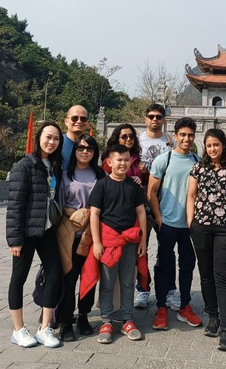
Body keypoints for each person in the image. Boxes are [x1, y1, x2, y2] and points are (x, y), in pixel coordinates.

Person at [6, 122, 64, 348]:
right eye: (48, 137)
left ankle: (44, 327)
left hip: (47, 230)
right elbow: (15, 205)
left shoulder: (55, 165)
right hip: (27, 232)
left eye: (56, 139)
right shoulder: (24, 166)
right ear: (39, 138)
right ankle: (18, 329)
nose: (51, 142)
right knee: (18, 278)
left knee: (55, 273)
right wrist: (15, 239)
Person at [187, 128, 226, 351]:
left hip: (225, 230)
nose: (212, 149)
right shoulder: (198, 168)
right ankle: (213, 317)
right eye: (209, 145)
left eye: (216, 145)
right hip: (201, 227)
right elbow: (191, 196)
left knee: (223, 276)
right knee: (206, 274)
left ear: (224, 146)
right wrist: (191, 222)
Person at [84, 144, 148, 344]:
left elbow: (141, 212)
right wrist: (96, 242)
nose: (123, 163)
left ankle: (128, 319)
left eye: (126, 160)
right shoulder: (102, 185)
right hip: (108, 242)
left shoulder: (133, 186)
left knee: (128, 281)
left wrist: (143, 240)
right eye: (119, 160)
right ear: (109, 162)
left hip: (130, 241)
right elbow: (94, 214)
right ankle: (106, 321)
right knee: (108, 283)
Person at [148, 117, 203, 331]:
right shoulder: (165, 159)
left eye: (190, 135)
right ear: (176, 135)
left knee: (187, 267)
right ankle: (161, 307)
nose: (186, 138)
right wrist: (159, 218)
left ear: (194, 136)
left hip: (189, 224)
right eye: (183, 135)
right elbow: (151, 191)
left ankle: (185, 305)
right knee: (164, 265)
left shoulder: (197, 160)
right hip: (168, 223)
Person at [55, 134, 104, 341]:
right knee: (69, 278)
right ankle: (66, 322)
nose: (85, 151)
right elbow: (57, 204)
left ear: (95, 153)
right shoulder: (66, 174)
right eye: (81, 148)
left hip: (92, 235)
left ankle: (83, 316)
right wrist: (73, 213)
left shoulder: (100, 175)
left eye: (90, 148)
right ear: (75, 151)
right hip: (69, 234)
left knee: (89, 278)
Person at [136, 103, 177, 310]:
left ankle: (170, 290)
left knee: (167, 249)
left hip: (166, 203)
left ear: (164, 119)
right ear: (145, 118)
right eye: (151, 116)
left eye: (159, 116)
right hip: (141, 203)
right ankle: (142, 289)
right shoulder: (136, 142)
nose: (154, 119)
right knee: (140, 247)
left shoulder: (171, 141)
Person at [62, 105, 90, 171]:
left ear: (88, 123)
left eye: (83, 119)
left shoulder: (90, 145)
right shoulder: (58, 142)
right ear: (66, 121)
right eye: (74, 118)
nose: (79, 121)